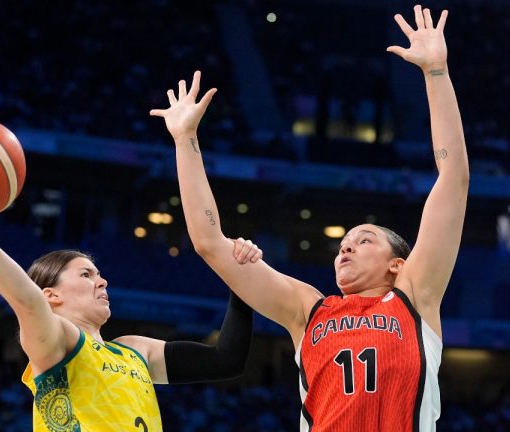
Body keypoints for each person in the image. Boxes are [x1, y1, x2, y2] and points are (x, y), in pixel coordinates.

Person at [150, 5, 467, 431]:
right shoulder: (308, 309)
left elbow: (454, 179)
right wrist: (185, 141)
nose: (347, 247)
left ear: (398, 263)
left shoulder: (415, 295)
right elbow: (208, 243)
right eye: (343, 244)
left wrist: (436, 73)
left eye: (365, 239)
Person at [0, 170, 263, 431]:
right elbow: (26, 300)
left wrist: (240, 279)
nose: (101, 280)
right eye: (85, 274)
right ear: (51, 295)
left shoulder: (135, 349)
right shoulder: (59, 343)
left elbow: (225, 360)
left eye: (98, 274)